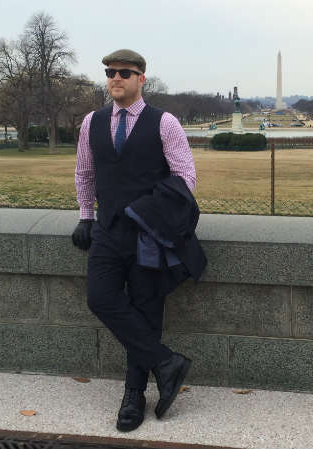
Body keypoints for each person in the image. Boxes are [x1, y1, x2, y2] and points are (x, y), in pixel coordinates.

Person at [71, 49, 200, 432]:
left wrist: (149, 210)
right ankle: (165, 362)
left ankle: (133, 395)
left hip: (149, 234)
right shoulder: (91, 122)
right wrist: (85, 216)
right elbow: (84, 172)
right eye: (110, 72)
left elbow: (185, 177)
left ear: (141, 79)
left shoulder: (165, 123)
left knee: (146, 311)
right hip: (108, 231)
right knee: (100, 298)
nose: (115, 78)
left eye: (124, 73)